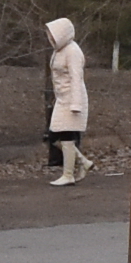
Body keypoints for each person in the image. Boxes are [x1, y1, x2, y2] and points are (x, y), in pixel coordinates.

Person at [43, 15, 89, 183]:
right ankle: (82, 161)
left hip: (71, 100)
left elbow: (76, 78)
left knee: (66, 136)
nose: (51, 38)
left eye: (53, 35)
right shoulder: (59, 51)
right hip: (62, 99)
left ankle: (68, 175)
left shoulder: (73, 51)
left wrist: (76, 104)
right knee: (53, 136)